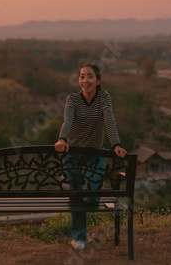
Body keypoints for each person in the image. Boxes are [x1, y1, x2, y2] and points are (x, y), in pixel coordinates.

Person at [54, 63, 127, 251]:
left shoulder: (103, 97)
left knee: (93, 197)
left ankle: (81, 231)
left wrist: (116, 144)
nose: (85, 80)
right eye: (82, 76)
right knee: (76, 195)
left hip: (95, 153)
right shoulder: (72, 99)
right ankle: (79, 237)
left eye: (90, 76)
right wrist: (62, 139)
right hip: (73, 154)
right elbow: (67, 120)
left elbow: (109, 118)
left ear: (98, 80)